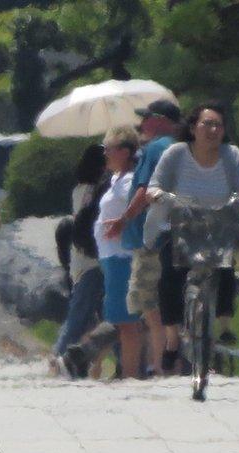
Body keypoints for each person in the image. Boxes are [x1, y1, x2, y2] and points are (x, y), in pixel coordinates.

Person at [145, 102, 239, 366]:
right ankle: (172, 336)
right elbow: (155, 185)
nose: (213, 129)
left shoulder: (232, 155)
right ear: (193, 128)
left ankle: (224, 324)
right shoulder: (176, 153)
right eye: (207, 124)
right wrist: (158, 195)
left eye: (218, 124)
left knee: (226, 268)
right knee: (170, 276)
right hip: (182, 222)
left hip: (219, 223)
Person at [103, 99, 181, 376]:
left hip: (152, 240)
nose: (142, 124)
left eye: (146, 118)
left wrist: (123, 220)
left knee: (150, 308)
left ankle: (161, 366)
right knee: (168, 306)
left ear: (159, 120)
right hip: (181, 235)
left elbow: (144, 190)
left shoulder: (155, 148)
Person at [48, 144, 107, 378]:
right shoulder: (94, 192)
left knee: (107, 318)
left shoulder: (79, 189)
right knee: (80, 316)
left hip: (82, 261)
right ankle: (59, 357)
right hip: (92, 262)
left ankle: (121, 361)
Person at [94, 126, 143, 379]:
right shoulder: (115, 179)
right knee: (116, 316)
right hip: (110, 255)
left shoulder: (129, 182)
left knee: (124, 321)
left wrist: (121, 222)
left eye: (109, 149)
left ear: (124, 151)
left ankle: (129, 374)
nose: (105, 154)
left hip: (121, 255)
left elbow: (139, 206)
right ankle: (102, 365)